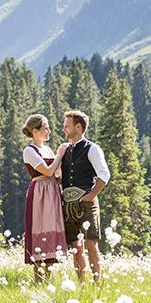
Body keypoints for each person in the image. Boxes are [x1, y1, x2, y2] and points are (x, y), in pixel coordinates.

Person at [60, 110, 110, 282]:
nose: (64, 129)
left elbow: (104, 175)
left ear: (78, 127)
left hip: (87, 204)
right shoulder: (64, 150)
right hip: (68, 205)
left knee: (91, 244)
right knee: (75, 246)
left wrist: (91, 195)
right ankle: (81, 284)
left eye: (67, 126)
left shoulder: (92, 148)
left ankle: (97, 283)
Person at [22, 114, 69, 282]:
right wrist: (60, 154)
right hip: (40, 194)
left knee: (52, 234)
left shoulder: (47, 150)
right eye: (45, 128)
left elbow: (55, 172)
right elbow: (48, 171)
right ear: (35, 131)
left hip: (52, 191)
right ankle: (38, 280)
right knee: (40, 231)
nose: (49, 131)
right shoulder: (29, 151)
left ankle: (47, 281)